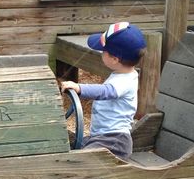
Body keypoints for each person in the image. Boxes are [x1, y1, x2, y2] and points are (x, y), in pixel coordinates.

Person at [60, 21, 146, 159]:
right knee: (69, 145)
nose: (101, 52)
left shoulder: (125, 81)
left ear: (114, 59)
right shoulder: (123, 74)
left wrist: (80, 88)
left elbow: (106, 91)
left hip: (114, 141)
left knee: (82, 160)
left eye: (103, 51)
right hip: (101, 137)